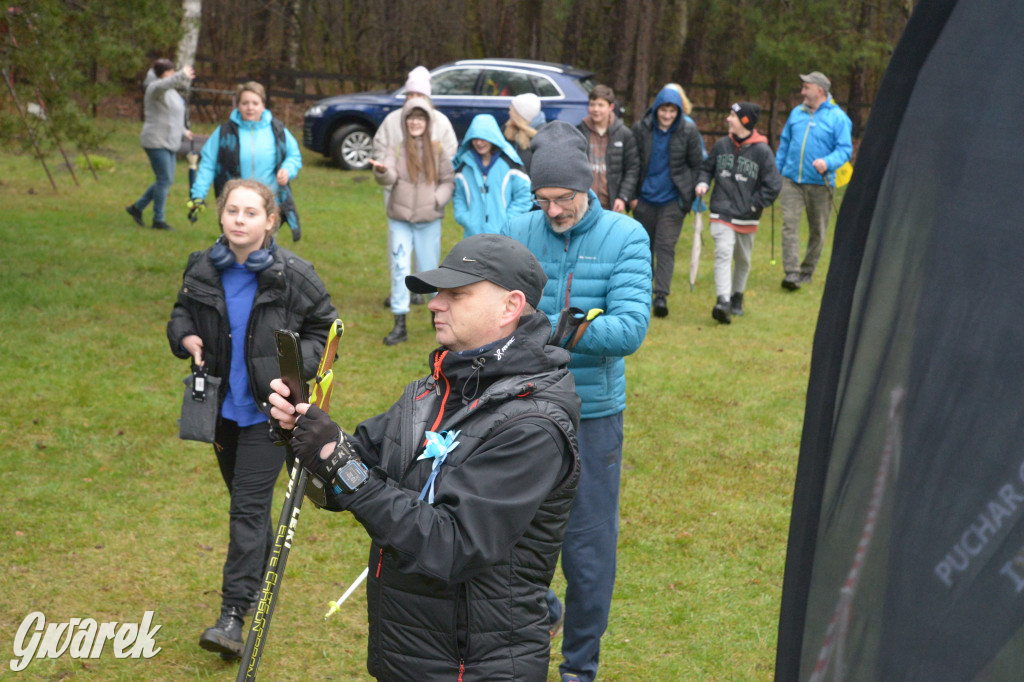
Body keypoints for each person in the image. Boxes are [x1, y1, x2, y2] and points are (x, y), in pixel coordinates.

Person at [267, 233, 582, 682]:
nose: (435, 304)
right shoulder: (429, 392)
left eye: (456, 294)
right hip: (407, 652)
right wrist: (300, 433)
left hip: (472, 665)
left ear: (510, 307)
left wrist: (337, 460)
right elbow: (346, 482)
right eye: (436, 292)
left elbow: (451, 546)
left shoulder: (534, 425)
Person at [501, 121, 652, 682]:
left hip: (592, 414)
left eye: (564, 198)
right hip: (522, 404)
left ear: (588, 186)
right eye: (543, 199)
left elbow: (630, 329)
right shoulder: (518, 228)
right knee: (509, 532)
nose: (554, 211)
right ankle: (538, 619)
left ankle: (579, 668)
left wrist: (556, 330)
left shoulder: (625, 236)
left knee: (586, 551)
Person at [166, 178, 337, 659]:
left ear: (270, 221)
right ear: (221, 215)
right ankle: (256, 584)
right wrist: (185, 338)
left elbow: (327, 328)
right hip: (221, 413)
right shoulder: (202, 266)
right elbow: (181, 312)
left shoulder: (293, 275)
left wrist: (292, 368)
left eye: (250, 213)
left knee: (246, 509)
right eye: (232, 211)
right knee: (250, 509)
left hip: (270, 416)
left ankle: (233, 617)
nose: (239, 220)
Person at [368, 98, 455, 346]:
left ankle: (435, 314)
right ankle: (400, 323)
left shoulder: (437, 150)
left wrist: (437, 200)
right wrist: (382, 171)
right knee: (400, 268)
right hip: (400, 219)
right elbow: (389, 176)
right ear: (405, 121)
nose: (415, 122)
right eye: (411, 118)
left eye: (420, 118)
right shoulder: (396, 148)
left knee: (429, 270)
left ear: (427, 122)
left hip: (429, 220)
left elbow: (448, 180)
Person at [373, 66, 458, 308]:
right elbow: (381, 147)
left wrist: (435, 197)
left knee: (427, 254)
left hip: (427, 202)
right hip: (397, 195)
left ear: (427, 96)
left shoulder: (440, 122)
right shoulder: (393, 120)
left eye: (419, 94)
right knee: (398, 252)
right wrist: (386, 171)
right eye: (410, 94)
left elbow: (449, 160)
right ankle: (399, 294)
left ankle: (420, 290)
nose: (413, 99)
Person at [695, 102, 782, 324]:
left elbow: (773, 185)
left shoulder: (762, 151)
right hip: (721, 211)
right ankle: (723, 301)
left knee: (743, 259)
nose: (728, 119)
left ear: (745, 121)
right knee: (723, 253)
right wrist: (703, 183)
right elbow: (706, 169)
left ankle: (737, 297)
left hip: (747, 216)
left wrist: (753, 205)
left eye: (733, 116)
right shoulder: (721, 145)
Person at [188, 81, 304, 241]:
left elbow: (294, 156)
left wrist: (287, 170)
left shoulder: (278, 130)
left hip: (269, 202)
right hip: (238, 205)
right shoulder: (224, 132)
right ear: (238, 106)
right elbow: (208, 164)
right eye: (245, 103)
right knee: (238, 246)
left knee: (264, 247)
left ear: (263, 106)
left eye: (255, 103)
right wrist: (198, 195)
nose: (250, 107)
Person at [631, 84, 704, 318]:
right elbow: (632, 164)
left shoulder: (688, 131)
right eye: (663, 110)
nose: (667, 115)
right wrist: (632, 197)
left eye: (672, 111)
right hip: (644, 199)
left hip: (673, 200)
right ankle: (643, 291)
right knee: (644, 247)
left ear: (679, 112)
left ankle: (661, 295)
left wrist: (690, 192)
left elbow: (698, 164)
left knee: (665, 246)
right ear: (656, 109)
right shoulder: (640, 129)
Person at [776, 71, 853, 290]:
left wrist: (827, 162)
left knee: (818, 230)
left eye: (806, 88)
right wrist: (776, 171)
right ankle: (791, 273)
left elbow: (845, 150)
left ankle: (807, 270)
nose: (802, 92)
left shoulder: (838, 118)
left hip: (820, 182)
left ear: (820, 91)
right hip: (792, 180)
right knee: (789, 225)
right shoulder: (796, 113)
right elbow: (784, 143)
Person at [126, 59, 194, 231]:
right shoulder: (154, 88)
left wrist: (184, 131)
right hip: (155, 140)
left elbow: (172, 114)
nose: (173, 75)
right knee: (164, 179)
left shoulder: (170, 91)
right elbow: (164, 85)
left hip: (169, 141)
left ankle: (137, 208)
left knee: (165, 180)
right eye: (170, 72)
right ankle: (158, 220)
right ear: (162, 74)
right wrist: (182, 74)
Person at [452, 113, 532, 237]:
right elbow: (459, 196)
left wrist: (507, 220)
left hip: (505, 236)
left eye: (483, 138)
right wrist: (464, 218)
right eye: (475, 138)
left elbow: (524, 195)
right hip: (472, 236)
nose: (479, 143)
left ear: (493, 138)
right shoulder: (464, 165)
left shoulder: (510, 164)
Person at [576, 84, 639, 214]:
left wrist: (622, 197)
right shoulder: (579, 132)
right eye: (592, 104)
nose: (596, 109)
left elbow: (632, 169)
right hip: (584, 203)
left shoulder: (624, 134)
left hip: (611, 204)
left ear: (611, 107)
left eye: (601, 105)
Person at [505, 92, 546, 172]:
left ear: (520, 114)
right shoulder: (510, 127)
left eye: (512, 110)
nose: (509, 112)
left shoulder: (542, 135)